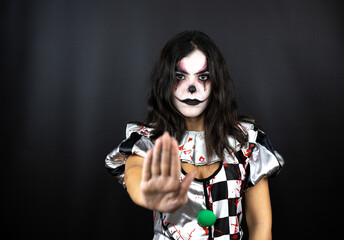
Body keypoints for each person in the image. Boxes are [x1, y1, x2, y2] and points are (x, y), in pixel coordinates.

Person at [105, 30, 284, 240]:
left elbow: (260, 223)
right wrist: (148, 194)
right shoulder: (150, 143)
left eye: (203, 77)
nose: (191, 88)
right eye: (179, 77)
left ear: (216, 83)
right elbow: (135, 172)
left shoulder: (244, 144)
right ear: (166, 82)